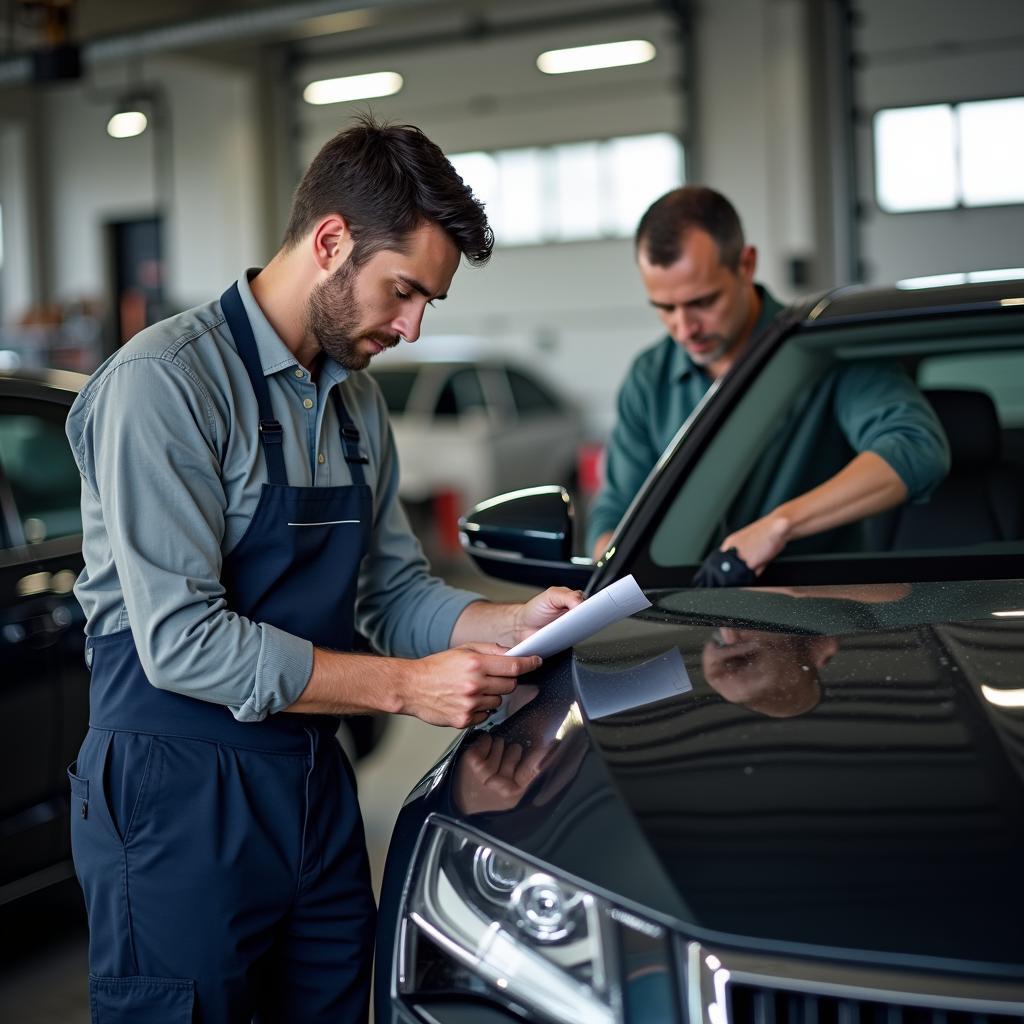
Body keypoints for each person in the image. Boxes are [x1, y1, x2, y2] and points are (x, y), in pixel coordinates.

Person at [65, 115, 583, 1024]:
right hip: (180, 796)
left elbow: (391, 594)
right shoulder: (166, 385)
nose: (413, 326)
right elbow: (182, 642)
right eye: (403, 291)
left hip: (311, 785)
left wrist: (509, 622)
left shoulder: (356, 406)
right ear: (332, 241)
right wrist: (406, 689)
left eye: (429, 303)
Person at [587, 186, 950, 572]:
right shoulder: (648, 377)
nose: (684, 328)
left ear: (746, 265)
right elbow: (615, 511)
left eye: (703, 302)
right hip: (683, 612)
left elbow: (916, 448)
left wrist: (781, 526)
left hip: (821, 608)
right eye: (665, 308)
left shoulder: (827, 351)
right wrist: (610, 570)